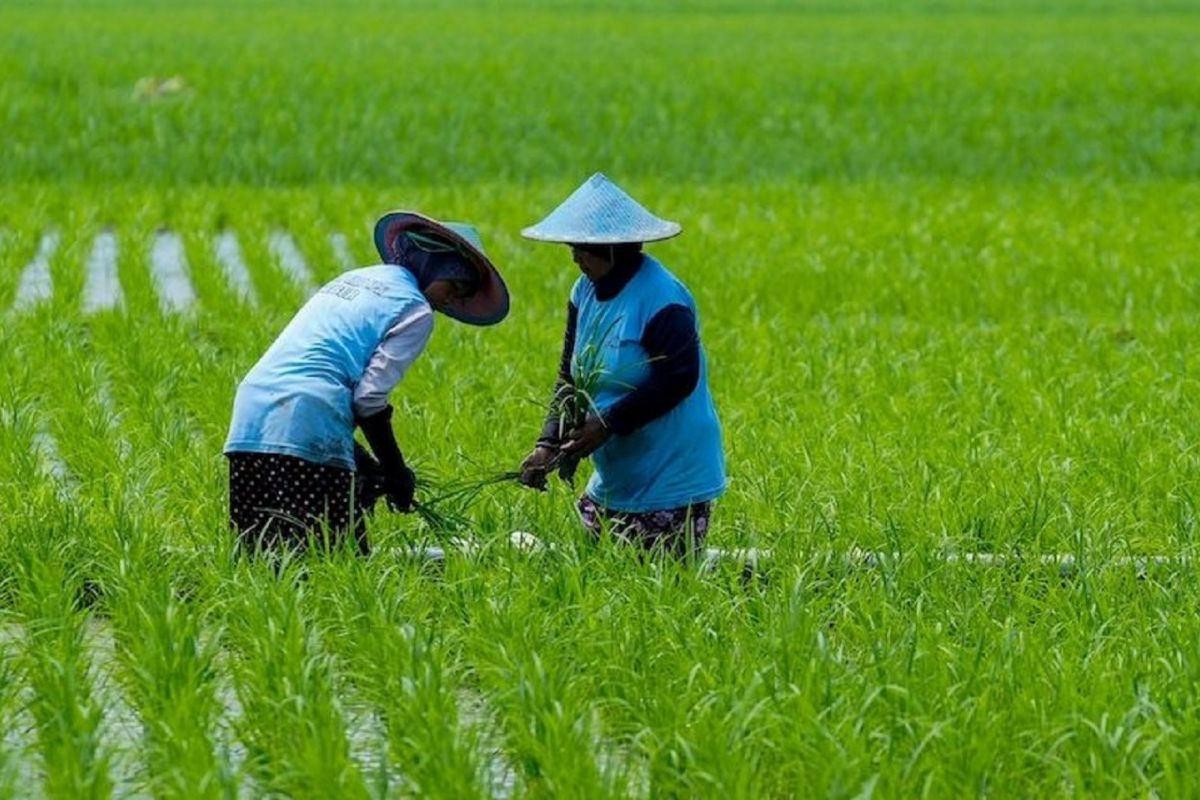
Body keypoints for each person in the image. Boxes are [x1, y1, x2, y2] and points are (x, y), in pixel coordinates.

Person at [224, 211, 509, 554]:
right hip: (306, 415)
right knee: (336, 563)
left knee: (263, 556)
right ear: (435, 267)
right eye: (454, 286)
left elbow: (319, 371)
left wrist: (366, 464)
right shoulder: (415, 309)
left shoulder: (355, 280)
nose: (451, 301)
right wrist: (396, 472)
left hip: (250, 416)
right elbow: (368, 399)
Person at [517, 173, 725, 557]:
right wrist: (548, 443)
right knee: (597, 582)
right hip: (618, 473)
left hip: (669, 473)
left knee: (659, 593)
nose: (575, 256)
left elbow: (680, 377)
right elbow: (570, 376)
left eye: (583, 248)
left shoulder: (662, 298)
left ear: (615, 248)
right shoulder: (584, 292)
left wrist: (608, 424)